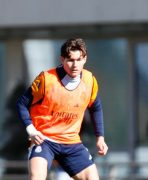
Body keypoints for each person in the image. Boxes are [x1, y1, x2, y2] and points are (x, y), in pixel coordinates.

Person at [16, 38, 108, 180]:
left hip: (71, 142)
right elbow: (22, 104)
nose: (75, 65)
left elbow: (95, 107)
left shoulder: (90, 81)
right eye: (70, 60)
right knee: (37, 177)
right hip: (44, 139)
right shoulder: (46, 80)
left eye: (79, 59)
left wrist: (100, 138)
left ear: (85, 59)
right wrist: (31, 131)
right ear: (62, 59)